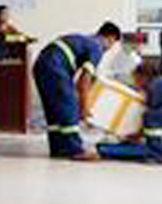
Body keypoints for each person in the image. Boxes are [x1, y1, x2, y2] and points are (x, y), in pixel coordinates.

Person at [33, 21, 124, 160]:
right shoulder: (97, 47)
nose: (109, 49)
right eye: (112, 45)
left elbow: (78, 83)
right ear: (111, 38)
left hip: (42, 64)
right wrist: (84, 107)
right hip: (55, 65)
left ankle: (59, 148)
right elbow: (84, 79)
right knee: (69, 105)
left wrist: (79, 96)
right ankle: (75, 149)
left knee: (54, 109)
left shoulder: (84, 40)